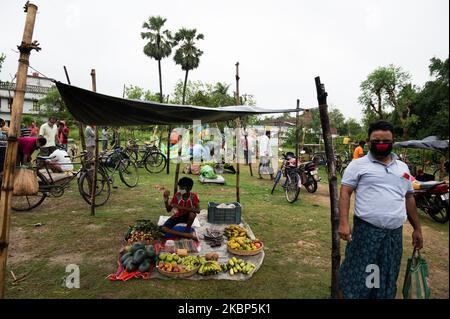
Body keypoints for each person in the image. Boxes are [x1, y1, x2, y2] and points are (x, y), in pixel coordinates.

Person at [338, 120, 423, 299]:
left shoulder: (403, 168)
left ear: (393, 141)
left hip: (394, 235)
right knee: (363, 274)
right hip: (366, 233)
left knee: (387, 273)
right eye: (376, 140)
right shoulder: (358, 165)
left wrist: (417, 228)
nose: (381, 144)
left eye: (386, 140)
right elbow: (345, 192)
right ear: (368, 141)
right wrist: (344, 224)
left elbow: (408, 197)